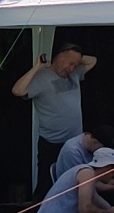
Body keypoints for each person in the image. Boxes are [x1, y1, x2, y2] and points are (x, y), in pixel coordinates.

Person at [11, 39, 97, 195]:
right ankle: (39, 211)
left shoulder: (75, 73)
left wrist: (75, 57)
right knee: (47, 186)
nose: (72, 68)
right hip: (52, 144)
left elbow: (93, 60)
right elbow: (18, 91)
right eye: (70, 63)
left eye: (75, 65)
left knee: (73, 184)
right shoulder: (42, 77)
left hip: (74, 143)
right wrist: (37, 67)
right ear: (60, 57)